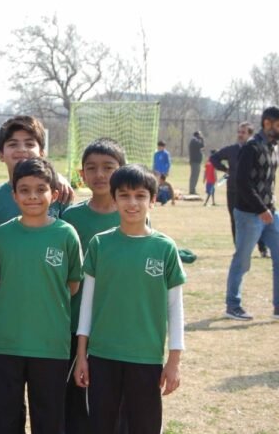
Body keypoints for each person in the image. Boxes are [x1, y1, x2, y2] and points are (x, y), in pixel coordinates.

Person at [74, 164, 186, 434]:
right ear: (114, 199)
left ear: (153, 200)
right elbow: (87, 305)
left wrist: (174, 361)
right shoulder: (100, 244)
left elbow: (175, 309)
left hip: (146, 357)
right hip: (102, 355)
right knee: (102, 425)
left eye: (140, 195)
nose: (132, 203)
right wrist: (81, 355)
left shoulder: (165, 248)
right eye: (124, 195)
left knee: (144, 426)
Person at [0, 158, 82, 434]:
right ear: (14, 195)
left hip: (50, 342)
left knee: (49, 417)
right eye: (24, 190)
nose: (33, 196)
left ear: (54, 194)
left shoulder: (66, 234)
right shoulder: (2, 235)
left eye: (41, 189)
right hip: (6, 342)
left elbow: (72, 284)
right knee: (3, 418)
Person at [60, 138, 126, 434]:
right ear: (82, 173)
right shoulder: (71, 217)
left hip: (113, 325)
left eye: (108, 167)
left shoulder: (132, 214)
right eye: (92, 168)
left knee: (110, 402)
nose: (100, 174)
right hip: (74, 323)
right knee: (73, 399)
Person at [225, 106, 279, 321]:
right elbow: (242, 183)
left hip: (270, 214)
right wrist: (260, 209)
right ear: (267, 123)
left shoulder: (273, 147)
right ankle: (233, 305)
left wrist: (269, 209)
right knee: (242, 260)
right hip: (249, 214)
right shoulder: (251, 147)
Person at [0, 115, 71, 236]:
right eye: (13, 144)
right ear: (1, 155)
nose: (21, 149)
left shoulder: (60, 193)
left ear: (42, 153)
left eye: (29, 144)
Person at [210, 122, 267, 256]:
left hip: (252, 191)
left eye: (243, 132)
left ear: (250, 134)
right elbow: (214, 158)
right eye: (239, 132)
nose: (240, 135)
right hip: (233, 190)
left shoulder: (256, 149)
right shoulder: (232, 150)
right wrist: (225, 169)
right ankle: (239, 249)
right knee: (235, 219)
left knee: (258, 218)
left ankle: (263, 248)